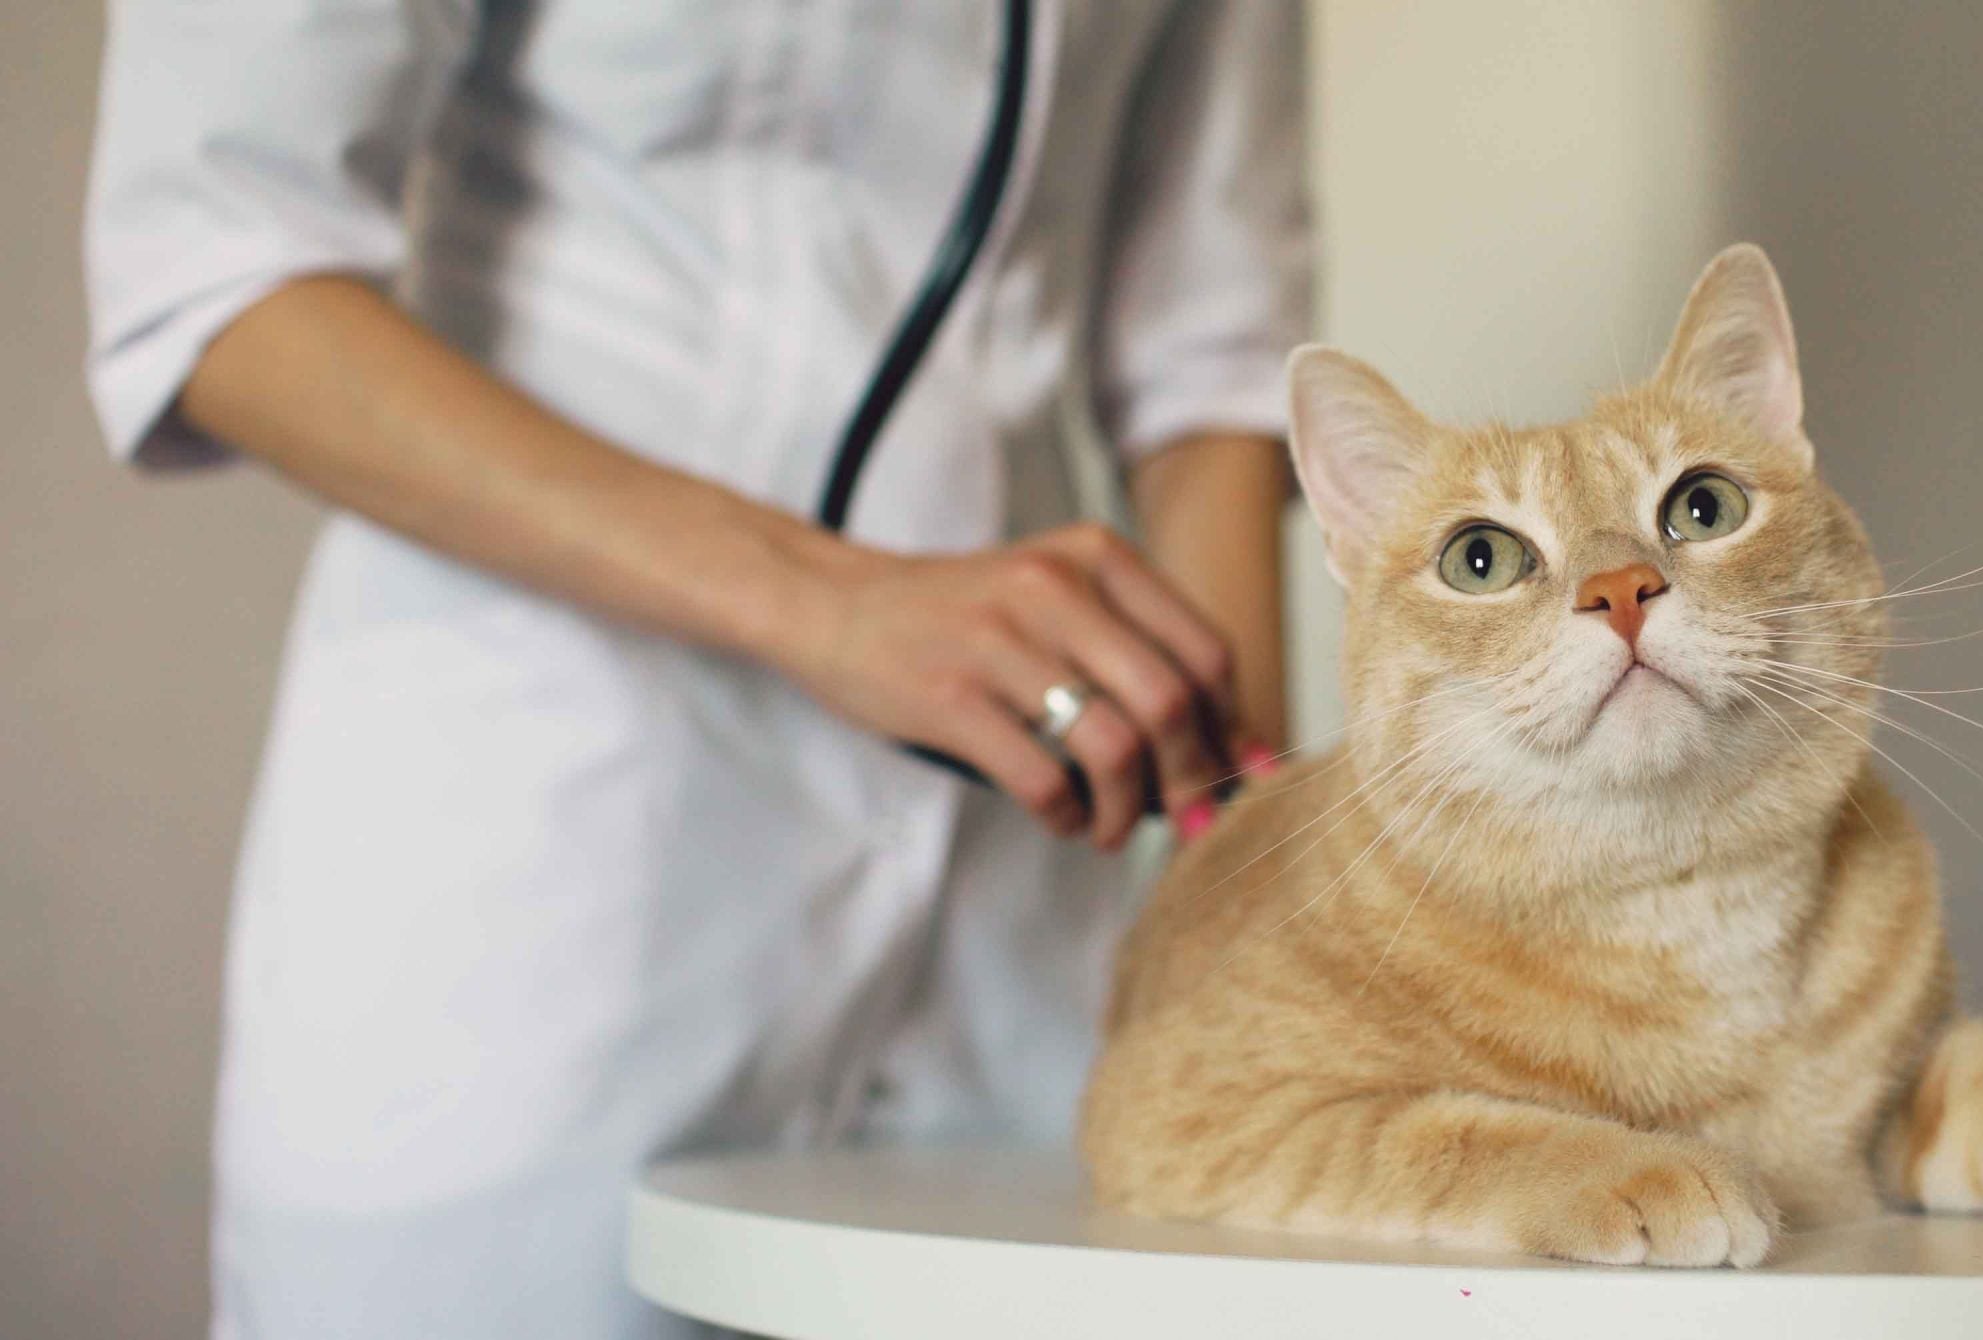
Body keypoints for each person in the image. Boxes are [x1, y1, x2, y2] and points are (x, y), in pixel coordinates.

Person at [83, 1, 1310, 1335]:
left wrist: (1248, 877)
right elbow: (220, 275)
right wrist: (838, 608)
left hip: (1018, 862)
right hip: (558, 841)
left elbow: (1210, 350)